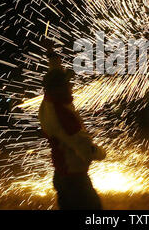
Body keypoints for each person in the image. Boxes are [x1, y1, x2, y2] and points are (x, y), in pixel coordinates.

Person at [38, 48, 106, 209]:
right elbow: (85, 148)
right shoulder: (61, 116)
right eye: (67, 85)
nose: (71, 87)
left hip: (64, 176)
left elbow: (55, 75)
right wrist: (101, 153)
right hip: (74, 180)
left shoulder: (50, 102)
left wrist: (52, 56)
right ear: (58, 89)